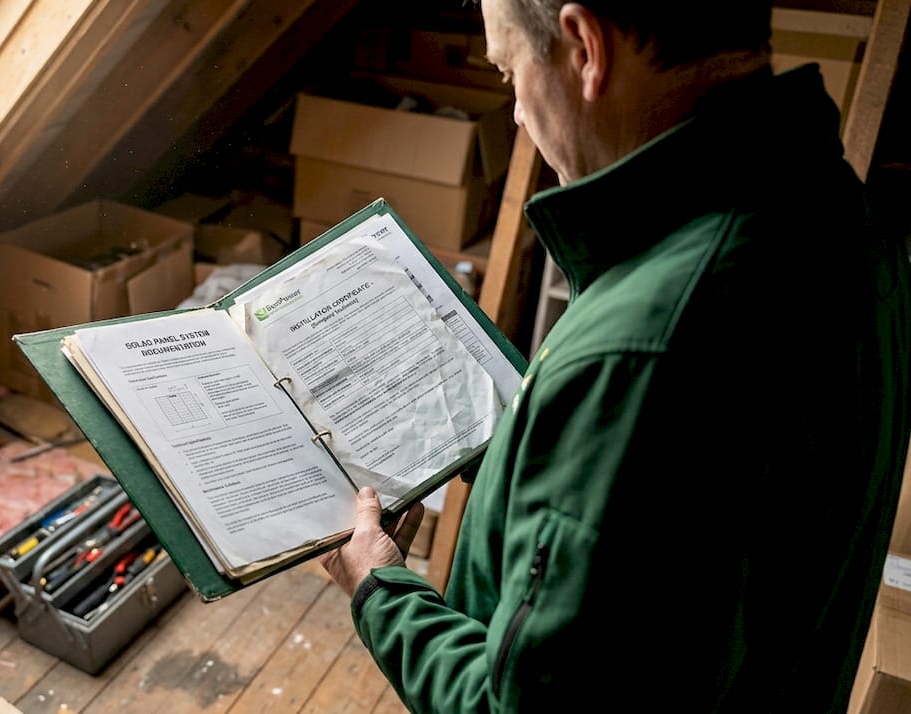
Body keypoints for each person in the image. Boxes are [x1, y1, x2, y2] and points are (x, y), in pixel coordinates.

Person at [320, 1, 911, 711]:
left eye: (510, 72)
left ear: (585, 49)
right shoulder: (842, 212)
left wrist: (380, 591)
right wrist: (526, 447)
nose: (518, 114)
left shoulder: (642, 351)